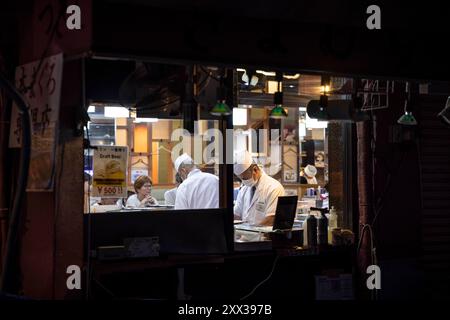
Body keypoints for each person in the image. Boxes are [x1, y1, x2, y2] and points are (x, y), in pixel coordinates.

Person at [233, 150, 285, 226]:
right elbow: (237, 215)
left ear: (255, 170)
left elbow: (271, 219)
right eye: (241, 179)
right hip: (243, 235)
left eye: (245, 178)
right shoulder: (244, 190)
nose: (243, 181)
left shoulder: (274, 188)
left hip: (262, 237)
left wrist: (252, 234)